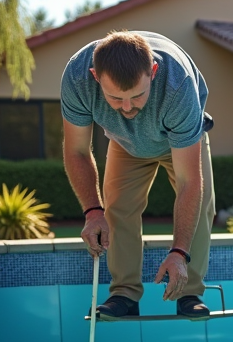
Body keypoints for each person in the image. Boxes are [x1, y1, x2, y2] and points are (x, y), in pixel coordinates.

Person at [60, 30, 215, 318]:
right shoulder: (77, 78)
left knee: (203, 205)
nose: (128, 107)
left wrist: (178, 253)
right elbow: (77, 151)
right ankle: (124, 294)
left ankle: (189, 291)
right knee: (116, 207)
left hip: (178, 141)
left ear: (153, 72)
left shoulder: (176, 84)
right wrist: (93, 211)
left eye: (138, 95)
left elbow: (189, 182)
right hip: (124, 141)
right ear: (96, 77)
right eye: (115, 98)